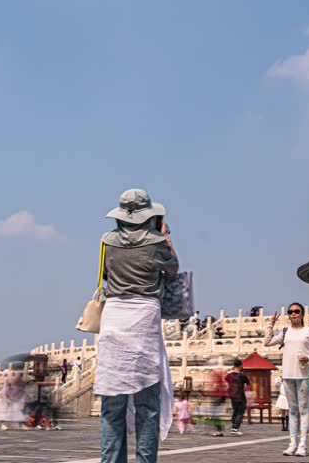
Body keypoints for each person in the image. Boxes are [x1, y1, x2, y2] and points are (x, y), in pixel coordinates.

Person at [95, 189, 178, 463]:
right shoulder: (156, 243)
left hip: (113, 318)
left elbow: (106, 275)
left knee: (112, 405)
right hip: (143, 318)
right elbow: (173, 270)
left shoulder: (106, 241)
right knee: (147, 406)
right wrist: (165, 235)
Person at [264, 302, 309, 457]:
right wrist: (270, 324)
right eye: (290, 312)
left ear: (302, 314)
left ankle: (302, 444)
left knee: (303, 410)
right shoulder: (285, 331)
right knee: (292, 411)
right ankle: (292, 444)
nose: (293, 314)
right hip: (288, 375)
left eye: (296, 311)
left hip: (304, 375)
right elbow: (267, 342)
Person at [225, 359, 250, 436]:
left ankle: (234, 427)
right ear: (240, 366)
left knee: (235, 411)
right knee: (240, 412)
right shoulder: (242, 375)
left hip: (232, 396)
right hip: (240, 396)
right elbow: (248, 383)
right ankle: (235, 428)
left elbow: (226, 381)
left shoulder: (229, 375)